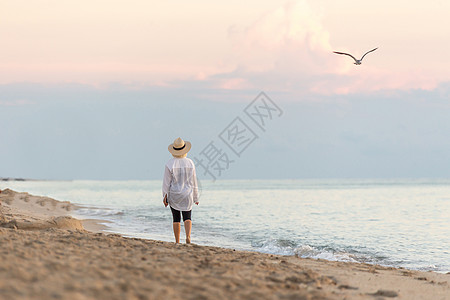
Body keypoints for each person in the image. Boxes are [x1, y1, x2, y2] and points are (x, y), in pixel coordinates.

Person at [162, 137, 199, 244]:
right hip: (188, 194)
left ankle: (177, 241)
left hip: (174, 194)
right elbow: (194, 181)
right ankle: (188, 237)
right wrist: (196, 197)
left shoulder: (170, 163)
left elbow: (166, 183)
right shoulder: (190, 163)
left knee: (176, 218)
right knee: (188, 216)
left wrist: (165, 196)